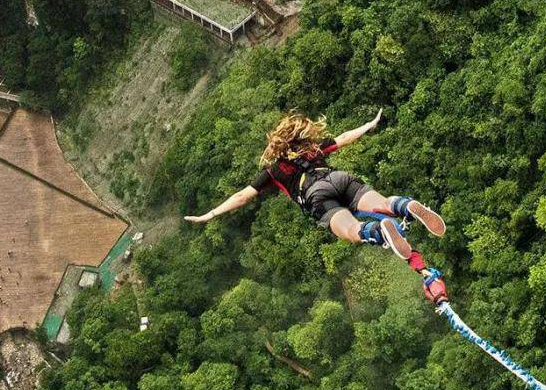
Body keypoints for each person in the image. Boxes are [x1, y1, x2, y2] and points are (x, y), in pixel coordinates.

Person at [185, 110, 449, 303]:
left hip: (317, 196)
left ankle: (379, 232)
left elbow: (243, 196)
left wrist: (210, 214)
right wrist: (369, 125)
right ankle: (404, 205)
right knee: (383, 203)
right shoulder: (313, 150)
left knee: (352, 230)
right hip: (339, 178)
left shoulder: (275, 171)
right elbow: (345, 137)